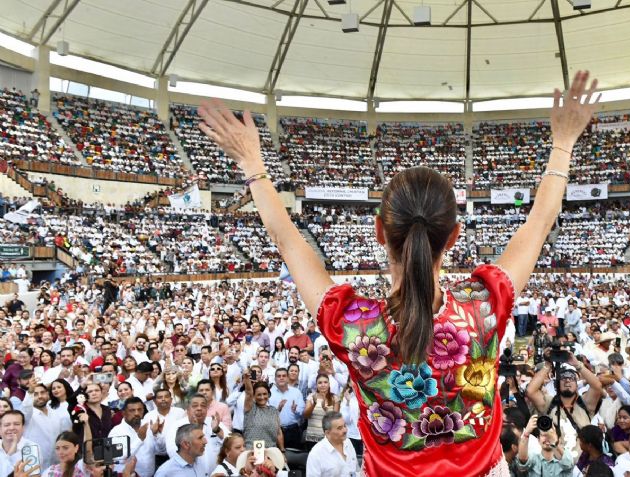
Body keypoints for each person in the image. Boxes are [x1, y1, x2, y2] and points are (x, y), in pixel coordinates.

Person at [199, 70, 599, 475]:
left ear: (379, 232)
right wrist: (563, 143)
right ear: (454, 236)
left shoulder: (354, 326)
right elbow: (539, 224)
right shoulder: (485, 306)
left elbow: (288, 241)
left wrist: (252, 163)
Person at [21, 382, 72, 467]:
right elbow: (26, 409)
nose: (40, 396)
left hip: (56, 463)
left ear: (48, 394)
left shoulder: (55, 413)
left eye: (42, 392)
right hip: (35, 465)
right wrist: (30, 392)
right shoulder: (28, 415)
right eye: (35, 394)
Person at [108, 396, 156, 477]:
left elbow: (157, 451)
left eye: (139, 409)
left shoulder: (148, 425)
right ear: (123, 413)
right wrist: (139, 439)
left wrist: (157, 434)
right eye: (132, 410)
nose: (136, 413)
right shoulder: (116, 432)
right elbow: (118, 458)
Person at [241, 370, 285, 450]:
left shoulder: (273, 410)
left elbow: (278, 433)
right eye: (259, 394)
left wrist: (282, 450)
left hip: (271, 452)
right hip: (252, 451)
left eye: (265, 394)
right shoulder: (250, 408)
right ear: (254, 396)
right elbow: (248, 393)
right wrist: (247, 379)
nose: (262, 397)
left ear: (268, 394)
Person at [305, 411, 357, 477]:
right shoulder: (316, 454)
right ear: (327, 433)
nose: (345, 430)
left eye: (344, 426)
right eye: (339, 428)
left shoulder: (348, 442)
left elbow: (355, 470)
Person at [304, 374, 340, 448]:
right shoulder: (311, 396)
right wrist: (314, 404)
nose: (323, 385)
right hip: (313, 437)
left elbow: (336, 421)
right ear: (316, 385)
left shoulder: (335, 398)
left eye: (325, 382)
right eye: (320, 383)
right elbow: (306, 416)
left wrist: (326, 410)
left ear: (329, 384)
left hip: (328, 438)